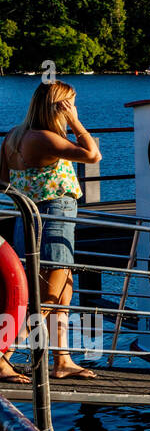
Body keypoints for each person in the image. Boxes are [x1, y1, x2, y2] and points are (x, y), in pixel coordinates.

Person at [0, 81, 101, 381]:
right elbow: (93, 155)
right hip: (52, 220)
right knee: (45, 300)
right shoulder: (43, 138)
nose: (74, 108)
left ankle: (62, 360)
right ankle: (2, 355)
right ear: (58, 107)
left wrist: (30, 190)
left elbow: (3, 180)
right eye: (70, 104)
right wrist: (75, 122)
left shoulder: (14, 137)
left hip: (30, 221)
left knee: (62, 292)